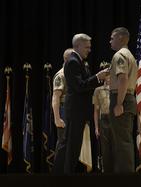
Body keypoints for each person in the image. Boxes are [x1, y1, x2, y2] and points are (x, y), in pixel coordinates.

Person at [63, 33, 108, 174]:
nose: (89, 49)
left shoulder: (79, 61)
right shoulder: (73, 62)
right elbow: (80, 86)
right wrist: (97, 77)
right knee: (72, 146)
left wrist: (98, 78)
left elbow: (86, 84)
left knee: (75, 146)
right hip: (75, 111)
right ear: (79, 45)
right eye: (87, 47)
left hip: (80, 111)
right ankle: (66, 177)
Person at [109, 27, 138, 172]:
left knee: (122, 142)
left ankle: (125, 178)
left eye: (112, 37)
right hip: (129, 97)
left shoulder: (119, 55)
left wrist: (119, 103)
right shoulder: (130, 55)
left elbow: (123, 79)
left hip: (121, 98)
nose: (110, 41)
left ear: (120, 38)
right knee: (124, 140)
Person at [52, 48, 73, 174]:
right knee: (63, 143)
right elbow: (56, 97)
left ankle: (67, 174)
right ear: (67, 59)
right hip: (63, 109)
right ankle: (57, 174)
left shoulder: (72, 73)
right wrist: (57, 118)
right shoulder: (61, 75)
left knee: (71, 144)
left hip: (72, 110)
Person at [93, 65, 112, 172]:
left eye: (111, 75)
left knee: (116, 147)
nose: (109, 77)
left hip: (115, 120)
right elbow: (96, 110)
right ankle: (106, 171)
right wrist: (96, 127)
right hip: (103, 120)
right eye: (107, 75)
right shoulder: (98, 90)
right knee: (105, 148)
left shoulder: (117, 89)